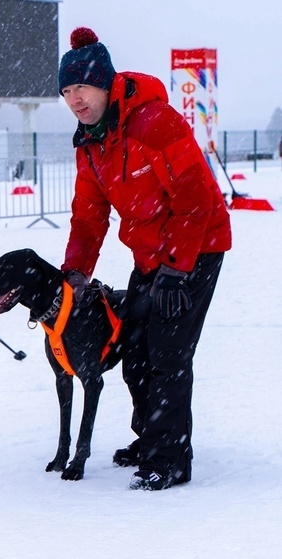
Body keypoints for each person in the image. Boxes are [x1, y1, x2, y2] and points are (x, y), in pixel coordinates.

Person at [57, 28, 232, 490]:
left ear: (105, 82)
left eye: (82, 88)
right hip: (150, 253)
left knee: (168, 353)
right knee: (132, 350)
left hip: (196, 247)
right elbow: (88, 218)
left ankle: (169, 459)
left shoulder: (155, 122)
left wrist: (177, 270)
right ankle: (152, 435)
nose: (74, 99)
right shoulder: (91, 145)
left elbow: (195, 197)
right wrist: (75, 272)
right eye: (66, 91)